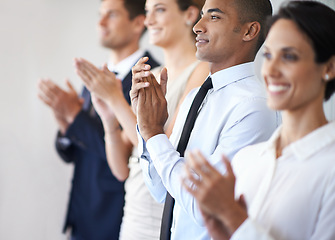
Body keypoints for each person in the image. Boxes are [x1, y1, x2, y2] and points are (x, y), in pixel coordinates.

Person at [182, 1, 335, 239]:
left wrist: (234, 219)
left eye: (290, 56)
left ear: (329, 66)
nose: (271, 70)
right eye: (269, 55)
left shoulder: (330, 168)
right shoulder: (247, 160)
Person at [130, 0, 279, 239]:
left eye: (214, 17)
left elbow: (205, 207)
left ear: (249, 31)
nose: (197, 26)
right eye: (201, 15)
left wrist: (154, 134)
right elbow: (161, 190)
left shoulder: (255, 107)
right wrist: (145, 120)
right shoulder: (194, 97)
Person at [74, 0, 209, 239]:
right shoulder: (152, 74)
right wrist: (108, 117)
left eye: (159, 10)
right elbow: (121, 169)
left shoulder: (201, 71)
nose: (148, 21)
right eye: (147, 12)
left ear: (189, 14)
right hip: (131, 216)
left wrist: (116, 99)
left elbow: (161, 149)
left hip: (158, 216)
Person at [37, 0, 159, 239]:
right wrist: (66, 127)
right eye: (100, 15)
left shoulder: (151, 76)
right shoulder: (96, 76)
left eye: (111, 15)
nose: (100, 22)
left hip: (114, 218)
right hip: (81, 217)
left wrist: (75, 116)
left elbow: (130, 153)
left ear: (137, 23)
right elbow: (73, 154)